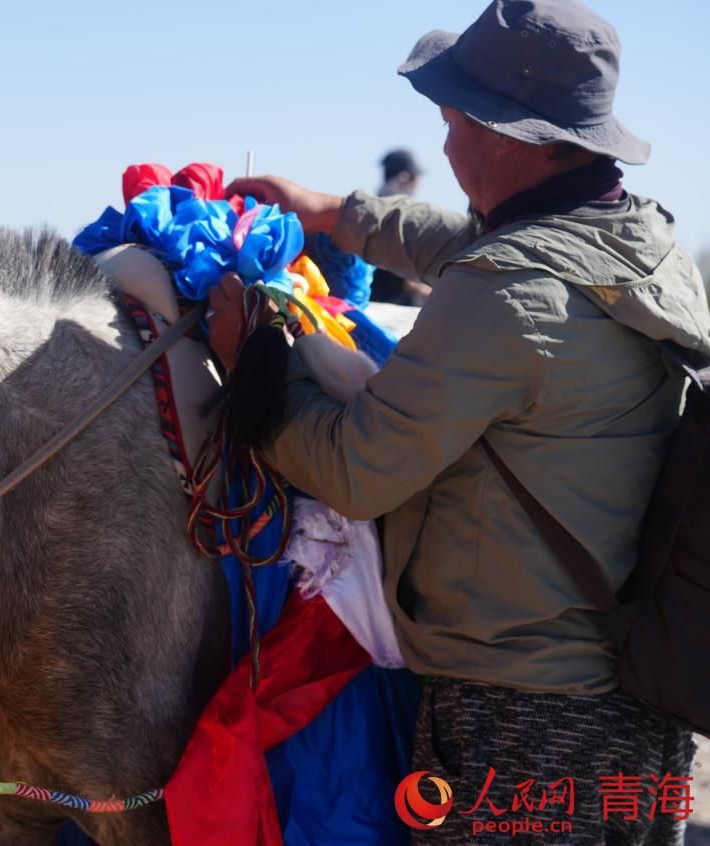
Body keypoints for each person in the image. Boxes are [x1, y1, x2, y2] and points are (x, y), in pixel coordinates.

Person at [215, 1, 710, 843]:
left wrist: (258, 363)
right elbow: (484, 250)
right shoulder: (641, 244)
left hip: (520, 722)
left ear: (511, 136)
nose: (443, 145)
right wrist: (338, 213)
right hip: (634, 704)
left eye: (451, 120)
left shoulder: (506, 295)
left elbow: (353, 471)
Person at [371, 148, 432, 304]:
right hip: (389, 304)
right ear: (403, 178)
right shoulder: (392, 215)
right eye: (415, 178)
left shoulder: (373, 208)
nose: (417, 184)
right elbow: (392, 273)